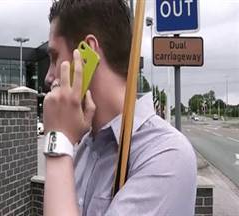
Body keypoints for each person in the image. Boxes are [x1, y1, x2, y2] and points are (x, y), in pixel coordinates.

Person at [42, 0, 197, 216]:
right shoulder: (83, 148)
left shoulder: (167, 155)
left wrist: (57, 142)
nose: (48, 77)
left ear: (87, 54)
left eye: (54, 57)